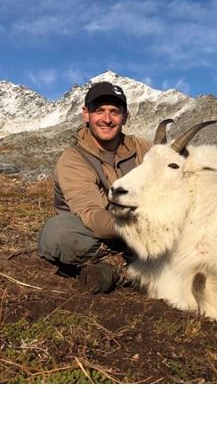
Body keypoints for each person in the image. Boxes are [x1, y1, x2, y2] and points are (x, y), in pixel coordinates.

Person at [38, 80, 151, 293]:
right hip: (98, 236)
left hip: (145, 230)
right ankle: (125, 265)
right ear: (86, 114)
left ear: (125, 117)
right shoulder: (73, 159)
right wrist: (143, 227)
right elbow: (92, 215)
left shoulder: (142, 148)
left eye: (114, 112)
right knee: (58, 232)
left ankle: (120, 269)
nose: (107, 119)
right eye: (99, 111)